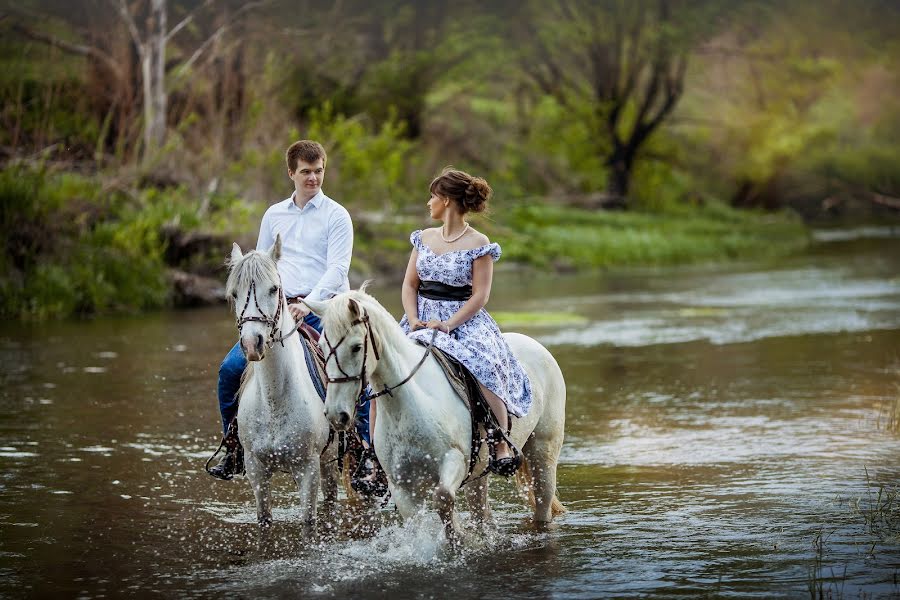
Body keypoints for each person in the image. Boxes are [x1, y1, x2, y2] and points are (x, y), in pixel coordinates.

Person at [209, 139, 371, 480]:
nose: (312, 178)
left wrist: (307, 303)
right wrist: (274, 306)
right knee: (229, 370)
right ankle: (233, 445)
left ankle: (362, 451)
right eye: (305, 172)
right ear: (291, 173)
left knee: (356, 372)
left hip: (324, 308)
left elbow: (338, 269)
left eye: (318, 171)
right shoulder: (274, 214)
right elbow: (265, 265)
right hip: (276, 310)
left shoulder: (337, 215)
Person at [397, 167, 533, 476]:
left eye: (432, 196)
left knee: (486, 364)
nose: (428, 202)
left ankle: (500, 439)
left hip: (463, 319)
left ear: (445, 200)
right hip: (420, 316)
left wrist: (449, 324)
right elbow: (409, 285)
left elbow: (480, 296)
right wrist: (415, 318)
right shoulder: (424, 238)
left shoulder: (478, 242)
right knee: (380, 363)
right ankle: (373, 449)